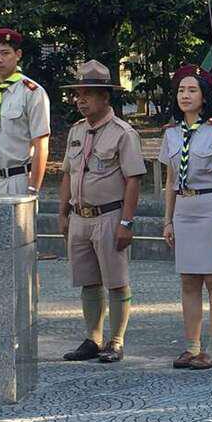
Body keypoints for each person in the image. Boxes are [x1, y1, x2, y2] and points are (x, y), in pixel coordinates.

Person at [58, 61, 146, 363]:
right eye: (78, 94)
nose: (80, 100)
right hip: (80, 216)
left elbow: (133, 179)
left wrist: (126, 222)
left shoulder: (123, 133)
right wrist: (62, 213)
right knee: (88, 280)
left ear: (105, 96)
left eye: (88, 94)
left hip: (109, 215)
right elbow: (68, 174)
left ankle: (116, 340)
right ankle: (93, 338)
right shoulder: (76, 131)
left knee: (116, 280)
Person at [160, 64, 212, 371]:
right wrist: (168, 220)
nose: (185, 95)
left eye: (192, 90)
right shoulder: (171, 133)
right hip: (184, 208)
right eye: (181, 90)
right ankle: (191, 345)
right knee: (188, 280)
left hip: (211, 206)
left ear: (204, 96)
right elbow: (170, 180)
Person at [0, 28, 50, 196]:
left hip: (16, 181)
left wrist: (32, 190)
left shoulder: (32, 93)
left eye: (5, 53)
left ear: (18, 54)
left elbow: (41, 145)